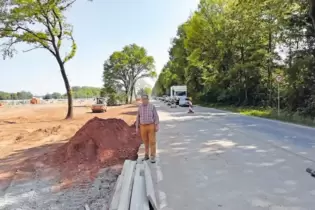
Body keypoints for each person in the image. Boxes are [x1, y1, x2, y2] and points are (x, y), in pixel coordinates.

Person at [136, 94, 160, 163]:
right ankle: (146, 155)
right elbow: (138, 117)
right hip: (142, 126)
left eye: (145, 99)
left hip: (151, 126)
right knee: (145, 142)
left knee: (152, 142)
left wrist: (157, 125)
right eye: (143, 99)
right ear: (141, 100)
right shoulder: (140, 107)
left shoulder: (152, 106)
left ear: (148, 100)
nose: (144, 100)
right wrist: (137, 127)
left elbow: (156, 116)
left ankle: (153, 156)